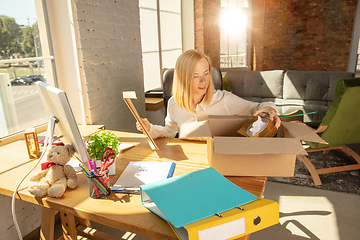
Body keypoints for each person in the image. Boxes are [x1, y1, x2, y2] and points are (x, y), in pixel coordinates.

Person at [137, 49, 281, 139]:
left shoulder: (223, 99)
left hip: (218, 163)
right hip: (190, 162)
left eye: (206, 74)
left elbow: (259, 107)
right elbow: (170, 131)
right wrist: (150, 128)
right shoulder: (174, 104)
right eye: (196, 76)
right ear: (183, 79)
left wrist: (270, 109)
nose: (204, 81)